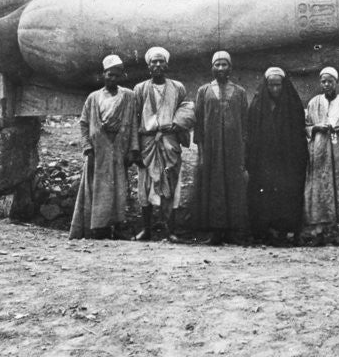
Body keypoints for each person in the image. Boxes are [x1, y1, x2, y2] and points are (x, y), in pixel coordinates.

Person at [69, 54, 139, 240]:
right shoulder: (93, 98)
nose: (112, 78)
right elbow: (84, 123)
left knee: (119, 188)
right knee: (97, 188)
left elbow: (133, 123)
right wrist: (87, 147)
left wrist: (133, 150)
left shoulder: (129, 96)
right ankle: (98, 228)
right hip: (98, 150)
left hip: (119, 149)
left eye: (116, 75)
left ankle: (117, 227)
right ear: (103, 75)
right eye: (109, 75)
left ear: (121, 76)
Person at [132, 46, 195, 242]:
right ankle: (147, 229)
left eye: (161, 61)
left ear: (167, 65)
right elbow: (134, 119)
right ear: (148, 66)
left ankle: (170, 230)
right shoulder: (140, 89)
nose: (158, 65)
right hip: (147, 142)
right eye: (154, 62)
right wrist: (135, 148)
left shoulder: (177, 87)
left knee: (171, 184)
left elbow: (186, 111)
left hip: (169, 142)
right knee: (146, 185)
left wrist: (176, 126)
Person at [246, 67, 309, 246]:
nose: (275, 89)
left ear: (284, 85)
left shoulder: (293, 104)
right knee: (264, 193)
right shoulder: (258, 105)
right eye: (271, 85)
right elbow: (251, 134)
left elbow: (299, 135)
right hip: (264, 160)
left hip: (287, 160)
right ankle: (265, 230)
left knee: (287, 192)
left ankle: (287, 230)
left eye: (278, 85)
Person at [193, 51, 250, 246]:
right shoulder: (204, 91)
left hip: (233, 149)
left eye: (224, 64)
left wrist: (243, 152)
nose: (220, 68)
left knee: (233, 186)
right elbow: (199, 125)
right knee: (214, 187)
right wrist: (201, 153)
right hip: (211, 149)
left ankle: (233, 231)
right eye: (217, 65)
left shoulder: (240, 92)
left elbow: (245, 124)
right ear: (211, 68)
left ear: (230, 68)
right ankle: (216, 232)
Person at [304, 67, 339, 246]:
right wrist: (316, 128)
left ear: (336, 82)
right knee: (320, 188)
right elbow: (306, 126)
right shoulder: (314, 103)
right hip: (320, 153)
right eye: (324, 81)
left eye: (330, 81)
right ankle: (319, 232)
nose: (327, 85)